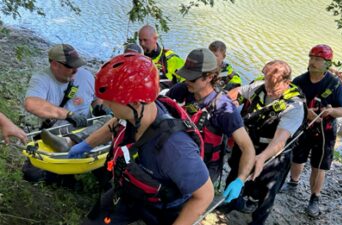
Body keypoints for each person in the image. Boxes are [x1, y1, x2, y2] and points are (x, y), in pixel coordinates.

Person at [68, 52, 214, 225]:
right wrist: (86, 144)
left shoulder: (175, 148)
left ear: (136, 102)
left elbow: (205, 195)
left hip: (163, 207)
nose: (105, 104)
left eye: (110, 101)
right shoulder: (138, 111)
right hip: (131, 190)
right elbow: (116, 122)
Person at [166, 48, 256, 203]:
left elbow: (247, 148)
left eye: (192, 78)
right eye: (185, 75)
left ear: (209, 77)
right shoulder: (181, 90)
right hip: (178, 156)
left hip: (204, 167)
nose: (187, 81)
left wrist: (240, 180)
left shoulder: (224, 108)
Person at [224, 60, 306, 225]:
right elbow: (237, 92)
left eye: (274, 86)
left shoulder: (294, 107)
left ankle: (257, 221)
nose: (268, 89)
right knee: (235, 174)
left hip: (273, 154)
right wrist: (228, 103)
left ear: (287, 82)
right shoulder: (261, 86)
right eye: (266, 81)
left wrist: (261, 158)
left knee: (266, 191)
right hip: (248, 145)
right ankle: (230, 204)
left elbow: (280, 139)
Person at [22, 44, 109, 185]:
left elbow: (97, 97)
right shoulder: (41, 79)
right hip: (56, 135)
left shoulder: (85, 76)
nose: (76, 70)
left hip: (87, 133)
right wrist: (68, 115)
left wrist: (99, 107)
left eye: (77, 65)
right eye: (71, 66)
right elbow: (31, 104)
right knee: (32, 175)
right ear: (55, 65)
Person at [281, 44, 342, 217]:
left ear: (327, 63)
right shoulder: (300, 81)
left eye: (317, 59)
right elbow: (287, 102)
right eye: (311, 58)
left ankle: (314, 198)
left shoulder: (335, 85)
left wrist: (331, 111)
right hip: (303, 127)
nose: (312, 62)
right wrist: (304, 112)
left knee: (319, 165)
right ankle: (293, 182)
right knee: (297, 156)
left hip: (325, 132)